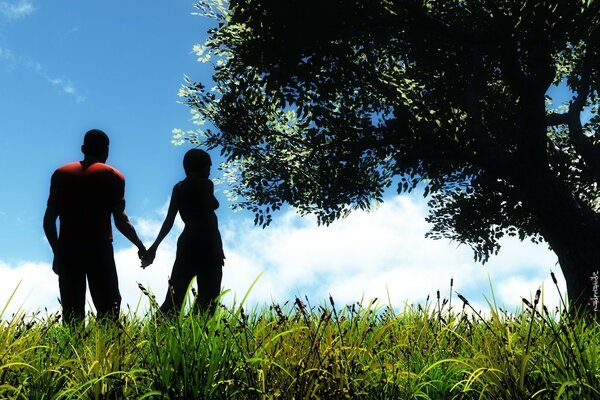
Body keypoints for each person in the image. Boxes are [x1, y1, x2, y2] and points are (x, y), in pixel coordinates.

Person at [43, 129, 146, 324]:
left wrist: (58, 253)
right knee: (109, 307)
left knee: (72, 312)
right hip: (99, 249)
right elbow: (120, 220)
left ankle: (73, 353)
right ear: (106, 151)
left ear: (83, 148)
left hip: (68, 249)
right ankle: (107, 353)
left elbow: (48, 221)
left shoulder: (61, 174)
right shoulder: (113, 175)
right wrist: (141, 247)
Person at [144, 148, 225, 315]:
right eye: (208, 167)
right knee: (208, 296)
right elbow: (211, 214)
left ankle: (157, 331)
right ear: (200, 167)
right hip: (207, 243)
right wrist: (218, 247)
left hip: (186, 242)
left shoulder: (179, 187)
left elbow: (169, 220)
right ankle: (197, 332)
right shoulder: (206, 184)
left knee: (174, 297)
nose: (210, 170)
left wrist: (154, 247)